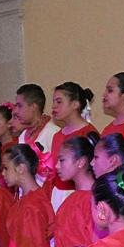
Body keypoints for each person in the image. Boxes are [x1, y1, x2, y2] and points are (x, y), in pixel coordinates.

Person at [45, 82, 98, 211]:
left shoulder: (88, 133)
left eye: (59, 102)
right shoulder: (57, 135)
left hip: (78, 192)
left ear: (75, 104)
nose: (54, 106)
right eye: (53, 102)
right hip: (58, 193)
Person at [14, 83, 60, 157]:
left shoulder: (54, 133)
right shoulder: (22, 136)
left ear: (33, 107)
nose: (15, 111)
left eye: (20, 106)